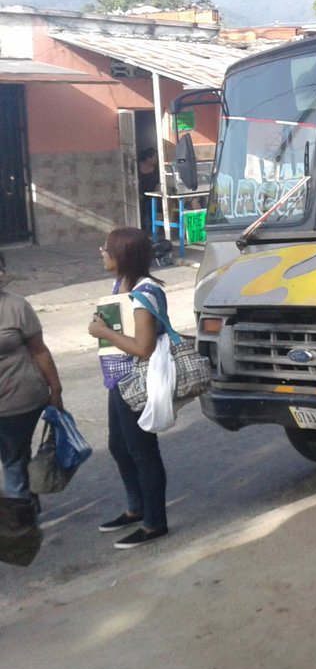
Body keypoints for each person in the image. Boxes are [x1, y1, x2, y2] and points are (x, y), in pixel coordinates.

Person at [87, 227, 171, 549]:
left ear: (122, 254)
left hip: (139, 380)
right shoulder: (122, 285)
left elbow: (144, 347)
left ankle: (154, 523)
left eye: (106, 248)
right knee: (119, 446)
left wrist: (102, 332)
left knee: (142, 450)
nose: (102, 252)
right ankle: (136, 508)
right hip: (118, 378)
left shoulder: (145, 292)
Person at [0, 251, 64, 506]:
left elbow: (39, 350)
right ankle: (26, 506)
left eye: (1, 268)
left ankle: (22, 527)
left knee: (14, 462)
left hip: (18, 400)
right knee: (16, 461)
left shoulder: (16, 307)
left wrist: (56, 390)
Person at [137, 147, 160, 237]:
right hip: (140, 194)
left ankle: (154, 230)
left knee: (154, 207)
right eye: (155, 157)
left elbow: (159, 182)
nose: (156, 159)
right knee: (140, 209)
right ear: (148, 158)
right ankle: (141, 229)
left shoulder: (157, 168)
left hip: (153, 194)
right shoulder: (138, 167)